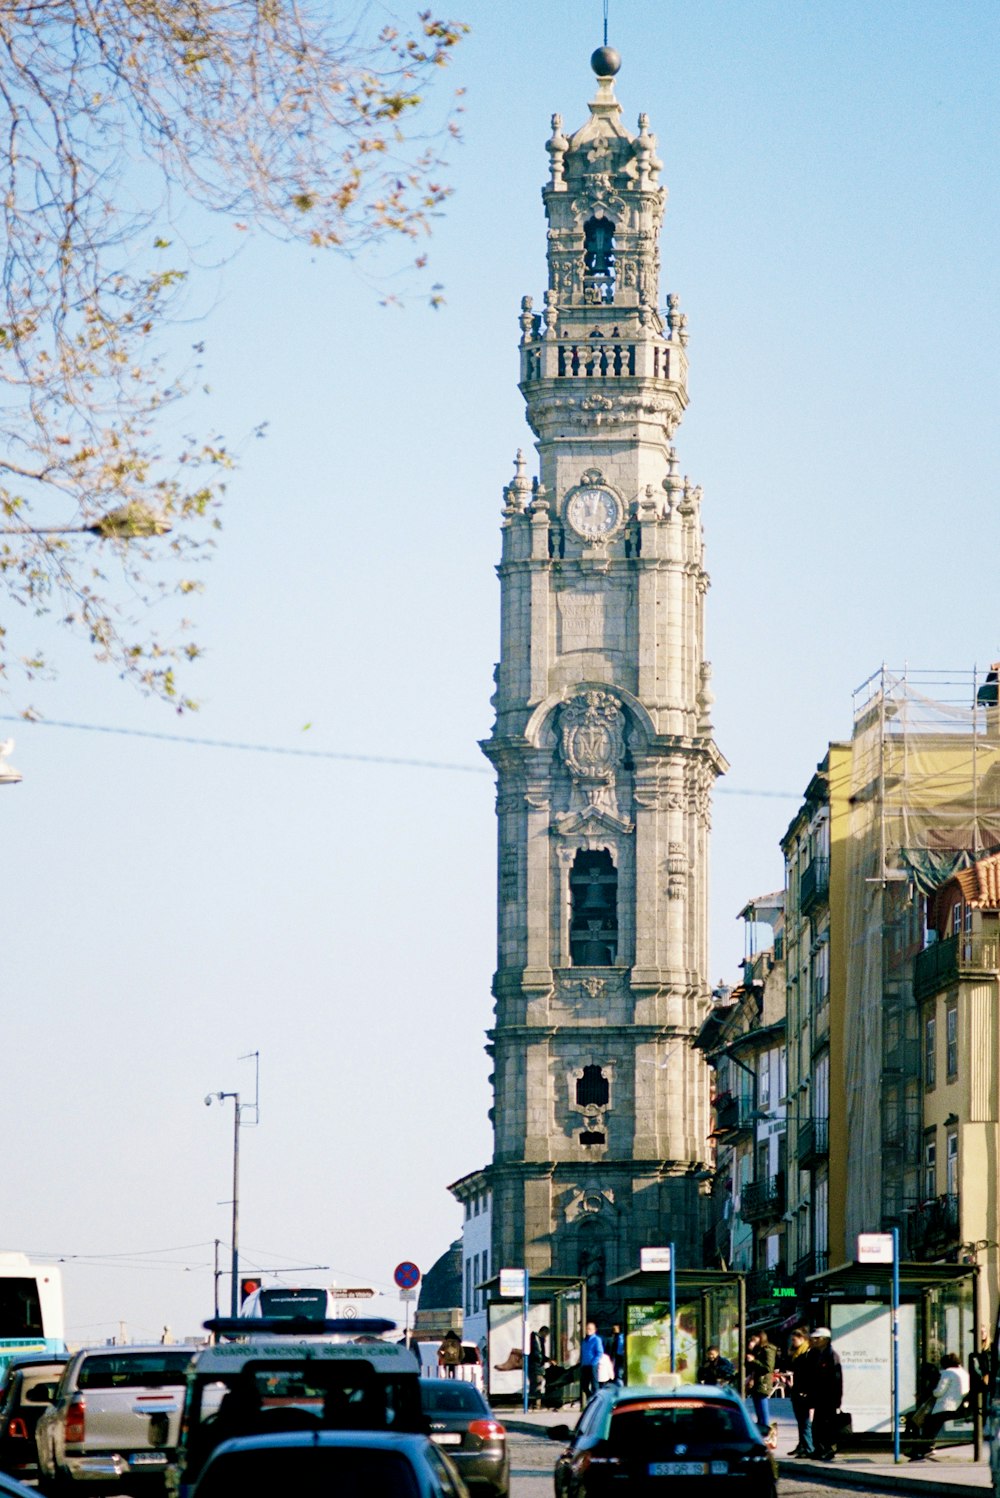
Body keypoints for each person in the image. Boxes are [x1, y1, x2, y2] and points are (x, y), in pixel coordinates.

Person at [912, 1352, 970, 1460]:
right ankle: (927, 1447)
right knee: (933, 1422)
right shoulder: (964, 1373)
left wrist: (933, 1392)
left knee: (928, 1421)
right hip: (959, 1405)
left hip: (947, 1406)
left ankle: (927, 1447)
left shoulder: (947, 1373)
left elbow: (939, 1392)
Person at [807, 1328, 843, 1461]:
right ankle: (819, 1448)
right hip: (818, 1397)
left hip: (829, 1397)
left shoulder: (831, 1356)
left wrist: (837, 1399)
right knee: (817, 1425)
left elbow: (837, 1379)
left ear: (825, 1340)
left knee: (828, 1425)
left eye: (817, 1338)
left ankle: (829, 1449)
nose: (814, 1340)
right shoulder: (815, 1354)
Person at [783, 1327, 814, 1457]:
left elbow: (807, 1373)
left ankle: (808, 1448)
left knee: (804, 1421)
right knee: (801, 1420)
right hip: (796, 1389)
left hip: (803, 1391)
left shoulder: (806, 1353)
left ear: (803, 1339)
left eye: (794, 1339)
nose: (792, 1342)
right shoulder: (796, 1353)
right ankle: (802, 1446)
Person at [745, 1331, 777, 1440]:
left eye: (754, 1340)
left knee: (762, 1407)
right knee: (758, 1408)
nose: (752, 1342)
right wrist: (750, 1349)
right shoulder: (757, 1349)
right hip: (755, 1381)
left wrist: (754, 1360)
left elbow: (768, 1367)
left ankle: (766, 1430)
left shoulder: (768, 1349)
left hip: (763, 1382)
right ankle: (761, 1430)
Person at [580, 1320, 604, 1403]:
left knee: (594, 1384)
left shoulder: (596, 1339)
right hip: (585, 1365)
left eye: (590, 1329)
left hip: (592, 1365)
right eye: (587, 1329)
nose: (588, 1330)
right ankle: (591, 1398)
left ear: (594, 1330)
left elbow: (600, 1352)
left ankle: (597, 1401)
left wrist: (594, 1362)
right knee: (584, 1385)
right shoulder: (585, 1340)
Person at [528, 1325, 551, 1409]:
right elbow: (538, 1354)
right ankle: (536, 1404)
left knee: (534, 1385)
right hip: (536, 1367)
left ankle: (532, 1403)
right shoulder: (537, 1340)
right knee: (537, 1385)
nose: (546, 1337)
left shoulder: (536, 1339)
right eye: (546, 1335)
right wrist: (547, 1360)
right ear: (543, 1332)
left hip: (535, 1366)